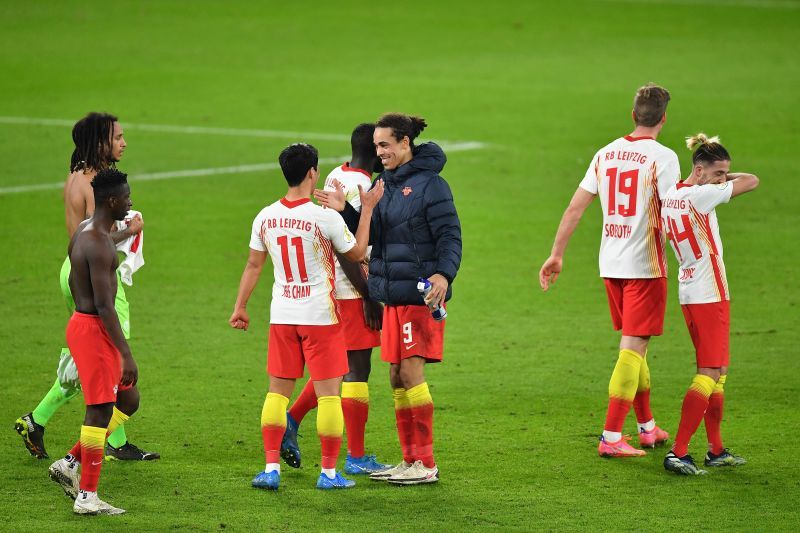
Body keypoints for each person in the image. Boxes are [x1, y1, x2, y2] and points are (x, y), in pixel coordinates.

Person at [317, 113, 462, 485]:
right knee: (397, 376)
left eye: (385, 145)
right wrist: (346, 210)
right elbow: (377, 233)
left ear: (405, 143)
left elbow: (450, 235)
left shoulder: (432, 186)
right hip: (393, 292)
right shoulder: (385, 183)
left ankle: (426, 463)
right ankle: (410, 460)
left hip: (420, 293)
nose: (379, 151)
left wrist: (443, 275)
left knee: (411, 371)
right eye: (377, 145)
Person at [229, 143, 384, 491]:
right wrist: (368, 210)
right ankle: (329, 473)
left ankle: (270, 469)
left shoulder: (264, 216)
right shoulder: (324, 216)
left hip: (282, 315)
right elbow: (358, 253)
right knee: (330, 395)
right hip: (320, 316)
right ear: (312, 172)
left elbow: (254, 265)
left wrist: (240, 306)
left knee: (276, 395)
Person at [539, 84, 680, 457]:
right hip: (645, 266)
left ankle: (647, 427)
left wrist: (557, 254)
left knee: (638, 344)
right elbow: (672, 212)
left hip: (611, 264)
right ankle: (611, 436)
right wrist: (688, 257)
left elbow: (575, 208)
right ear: (663, 118)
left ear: (633, 115)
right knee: (633, 347)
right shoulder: (664, 157)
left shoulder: (605, 153)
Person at [15, 112, 158, 461]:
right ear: (100, 143)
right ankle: (86, 438)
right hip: (94, 272)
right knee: (109, 356)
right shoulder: (95, 182)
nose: (124, 143)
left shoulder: (75, 176)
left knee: (87, 355)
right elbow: (99, 236)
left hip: (72, 270)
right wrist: (133, 229)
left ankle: (101, 437)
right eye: (118, 137)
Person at [279, 123, 390, 475]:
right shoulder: (362, 186)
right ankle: (355, 457)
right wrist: (369, 295)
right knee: (356, 371)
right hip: (352, 287)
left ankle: (291, 420)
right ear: (373, 152)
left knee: (338, 369)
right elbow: (352, 247)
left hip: (333, 287)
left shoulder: (338, 175)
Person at [661, 134, 758, 475]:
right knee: (709, 372)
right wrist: (727, 180)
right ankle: (678, 451)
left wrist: (716, 176)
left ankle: (715, 449)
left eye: (725, 174)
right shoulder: (701, 195)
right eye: (718, 173)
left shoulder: (673, 193)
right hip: (708, 293)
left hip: (691, 289)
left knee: (720, 372)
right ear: (699, 171)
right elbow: (752, 181)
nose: (723, 179)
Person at [47, 168, 142, 515]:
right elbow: (105, 305)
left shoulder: (86, 232)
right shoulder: (100, 244)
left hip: (82, 324)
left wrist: (127, 233)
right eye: (127, 198)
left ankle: (71, 461)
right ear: (112, 200)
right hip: (94, 328)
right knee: (100, 408)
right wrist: (125, 353)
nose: (130, 203)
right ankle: (87, 496)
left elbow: (94, 253)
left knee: (128, 399)